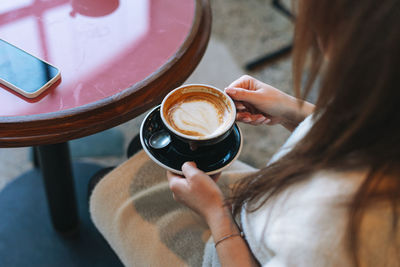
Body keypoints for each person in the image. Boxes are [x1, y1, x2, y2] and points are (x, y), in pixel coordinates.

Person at [89, 0, 400, 266]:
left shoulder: (334, 230)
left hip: (230, 245)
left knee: (103, 189)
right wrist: (293, 110)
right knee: (139, 151)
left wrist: (216, 214)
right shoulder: (381, 100)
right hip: (264, 205)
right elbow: (358, 128)